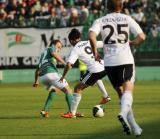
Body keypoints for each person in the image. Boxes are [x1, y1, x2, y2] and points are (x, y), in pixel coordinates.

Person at [89, 0, 146, 136]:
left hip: (109, 63)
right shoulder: (127, 18)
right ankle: (123, 113)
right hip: (125, 60)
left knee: (121, 94)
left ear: (107, 7)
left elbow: (91, 36)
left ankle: (135, 127)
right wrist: (133, 43)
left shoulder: (100, 20)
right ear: (121, 6)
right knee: (128, 90)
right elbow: (142, 36)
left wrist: (95, 52)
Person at [60, 28, 111, 118]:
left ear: (71, 41)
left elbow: (68, 64)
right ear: (79, 37)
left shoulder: (76, 49)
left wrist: (63, 76)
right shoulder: (88, 42)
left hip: (95, 70)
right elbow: (104, 43)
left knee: (77, 88)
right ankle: (105, 96)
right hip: (104, 66)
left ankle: (72, 113)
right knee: (95, 78)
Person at [33, 40, 73, 118]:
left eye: (61, 47)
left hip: (43, 78)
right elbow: (54, 54)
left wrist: (36, 81)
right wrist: (65, 64)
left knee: (54, 90)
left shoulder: (43, 55)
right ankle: (72, 112)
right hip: (51, 74)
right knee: (68, 90)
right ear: (54, 44)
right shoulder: (51, 48)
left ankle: (44, 110)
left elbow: (37, 70)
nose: (59, 48)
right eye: (59, 46)